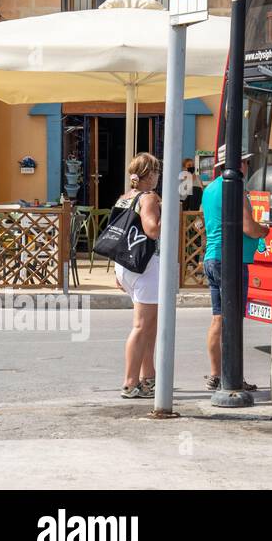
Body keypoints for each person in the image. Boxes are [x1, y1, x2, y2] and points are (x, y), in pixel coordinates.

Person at [201, 145, 267, 392]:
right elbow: (248, 227)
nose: (248, 167)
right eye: (246, 162)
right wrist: (264, 230)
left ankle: (216, 374)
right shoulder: (236, 188)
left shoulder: (209, 189)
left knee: (218, 318)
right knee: (233, 322)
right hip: (232, 260)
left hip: (212, 257)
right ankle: (233, 377)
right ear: (237, 164)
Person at [115, 153, 162, 398]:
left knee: (149, 326)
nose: (158, 176)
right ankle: (130, 382)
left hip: (125, 266)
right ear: (150, 174)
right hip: (146, 267)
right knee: (142, 326)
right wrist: (170, 214)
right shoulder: (149, 197)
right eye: (156, 171)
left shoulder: (125, 198)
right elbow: (152, 230)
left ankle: (148, 377)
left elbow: (117, 233)